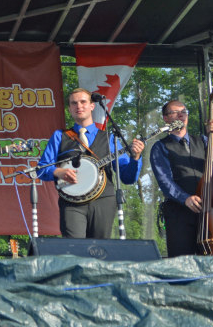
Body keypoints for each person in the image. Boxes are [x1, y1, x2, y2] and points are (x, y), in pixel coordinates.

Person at [37, 88, 144, 239]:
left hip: (104, 201)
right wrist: (58, 172)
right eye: (74, 103)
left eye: (83, 102)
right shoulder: (59, 136)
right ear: (70, 109)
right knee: (75, 249)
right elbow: (41, 169)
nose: (78, 106)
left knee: (99, 250)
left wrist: (136, 158)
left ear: (92, 106)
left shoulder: (109, 137)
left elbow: (127, 177)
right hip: (71, 203)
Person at [150, 100, 213, 257]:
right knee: (182, 261)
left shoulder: (205, 141)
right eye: (175, 112)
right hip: (179, 213)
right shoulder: (160, 147)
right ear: (165, 118)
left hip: (211, 211)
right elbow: (165, 181)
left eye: (184, 111)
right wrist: (185, 198)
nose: (181, 115)